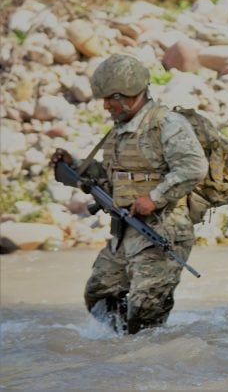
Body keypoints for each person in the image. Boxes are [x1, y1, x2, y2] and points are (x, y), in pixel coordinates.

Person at [50, 54, 208, 334]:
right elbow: (113, 177)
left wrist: (154, 197)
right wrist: (73, 165)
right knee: (99, 295)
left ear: (132, 94)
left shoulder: (166, 124)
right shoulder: (120, 129)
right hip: (125, 232)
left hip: (163, 233)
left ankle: (150, 364)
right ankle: (122, 355)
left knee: (146, 316)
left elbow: (193, 167)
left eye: (112, 97)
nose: (106, 105)